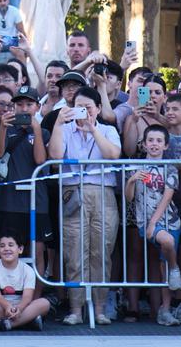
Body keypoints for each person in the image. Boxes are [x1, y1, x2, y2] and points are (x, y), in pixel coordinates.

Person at [48, 85, 121, 325]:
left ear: (99, 109)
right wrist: (58, 124)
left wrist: (93, 129)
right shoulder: (65, 129)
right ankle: (76, 310)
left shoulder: (108, 130)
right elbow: (56, 157)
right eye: (78, 107)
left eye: (88, 107)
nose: (83, 112)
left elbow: (113, 155)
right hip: (73, 193)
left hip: (103, 192)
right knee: (75, 251)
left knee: (102, 250)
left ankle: (100, 309)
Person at [123, 124, 181, 325]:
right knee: (165, 242)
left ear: (166, 145)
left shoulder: (170, 167)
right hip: (145, 220)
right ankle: (176, 270)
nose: (154, 144)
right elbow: (129, 199)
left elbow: (167, 197)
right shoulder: (136, 166)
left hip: (168, 220)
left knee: (163, 262)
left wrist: (154, 222)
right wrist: (131, 181)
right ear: (144, 144)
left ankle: (165, 309)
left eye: (159, 141)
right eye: (150, 140)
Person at [0, 86, 51, 264]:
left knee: (37, 252)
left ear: (38, 107)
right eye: (19, 104)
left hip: (37, 201)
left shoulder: (44, 132)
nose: (24, 109)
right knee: (8, 250)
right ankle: (11, 291)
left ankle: (33, 293)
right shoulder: (6, 129)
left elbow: (40, 160)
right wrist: (2, 127)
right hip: (10, 201)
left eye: (29, 104)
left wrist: (37, 130)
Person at [0, 230, 50, 331]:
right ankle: (26, 322)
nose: (6, 248)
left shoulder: (28, 270)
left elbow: (27, 297)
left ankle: (7, 325)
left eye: (11, 245)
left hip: (22, 308)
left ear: (20, 249)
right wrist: (7, 306)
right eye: (2, 246)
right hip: (0, 306)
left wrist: (19, 309)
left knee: (44, 303)